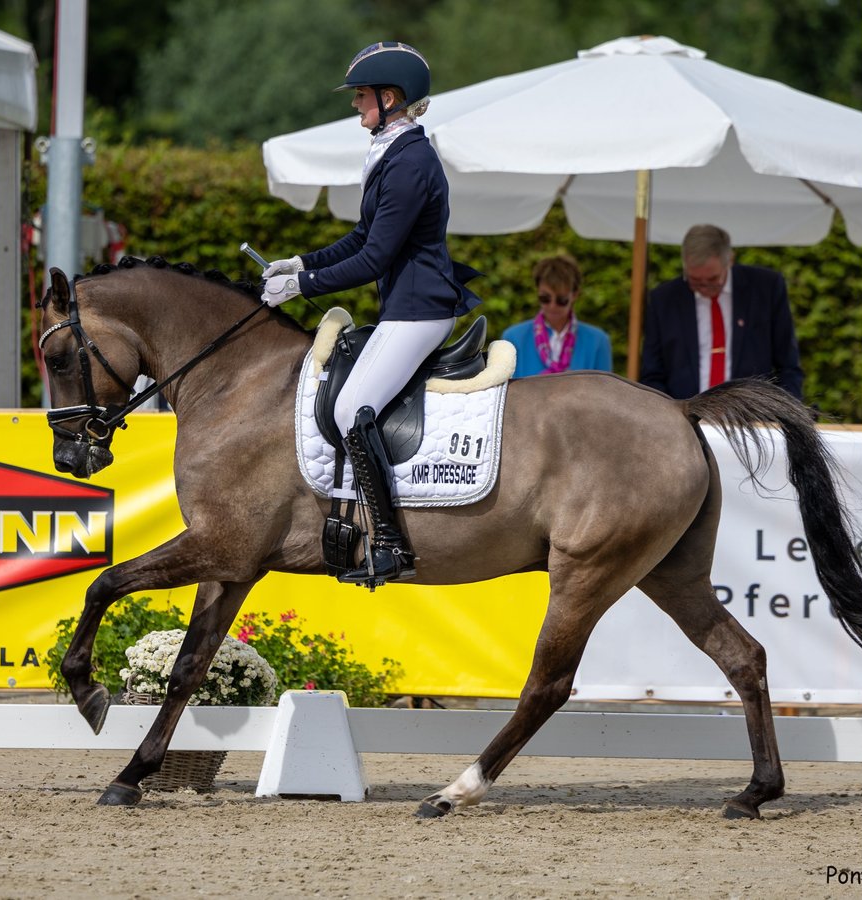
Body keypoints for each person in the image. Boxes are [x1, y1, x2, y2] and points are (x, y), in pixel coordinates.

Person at [259, 42, 480, 587]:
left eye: (361, 97)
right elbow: (363, 236)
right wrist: (302, 261)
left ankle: (387, 543)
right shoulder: (392, 152)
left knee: (353, 407)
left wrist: (301, 287)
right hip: (404, 308)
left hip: (419, 311)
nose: (356, 108)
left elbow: (376, 259)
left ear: (390, 97)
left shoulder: (411, 162)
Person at [640, 224, 803, 400]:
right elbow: (652, 374)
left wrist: (785, 417)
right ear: (684, 265)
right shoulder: (664, 299)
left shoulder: (766, 289)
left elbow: (788, 366)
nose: (703, 287)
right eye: (694, 280)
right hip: (682, 418)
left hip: (751, 418)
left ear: (730, 261)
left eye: (712, 279)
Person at [501, 254, 612, 377]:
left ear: (575, 295)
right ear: (537, 291)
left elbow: (604, 393)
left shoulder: (598, 341)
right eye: (545, 298)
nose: (552, 306)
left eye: (561, 300)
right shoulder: (513, 338)